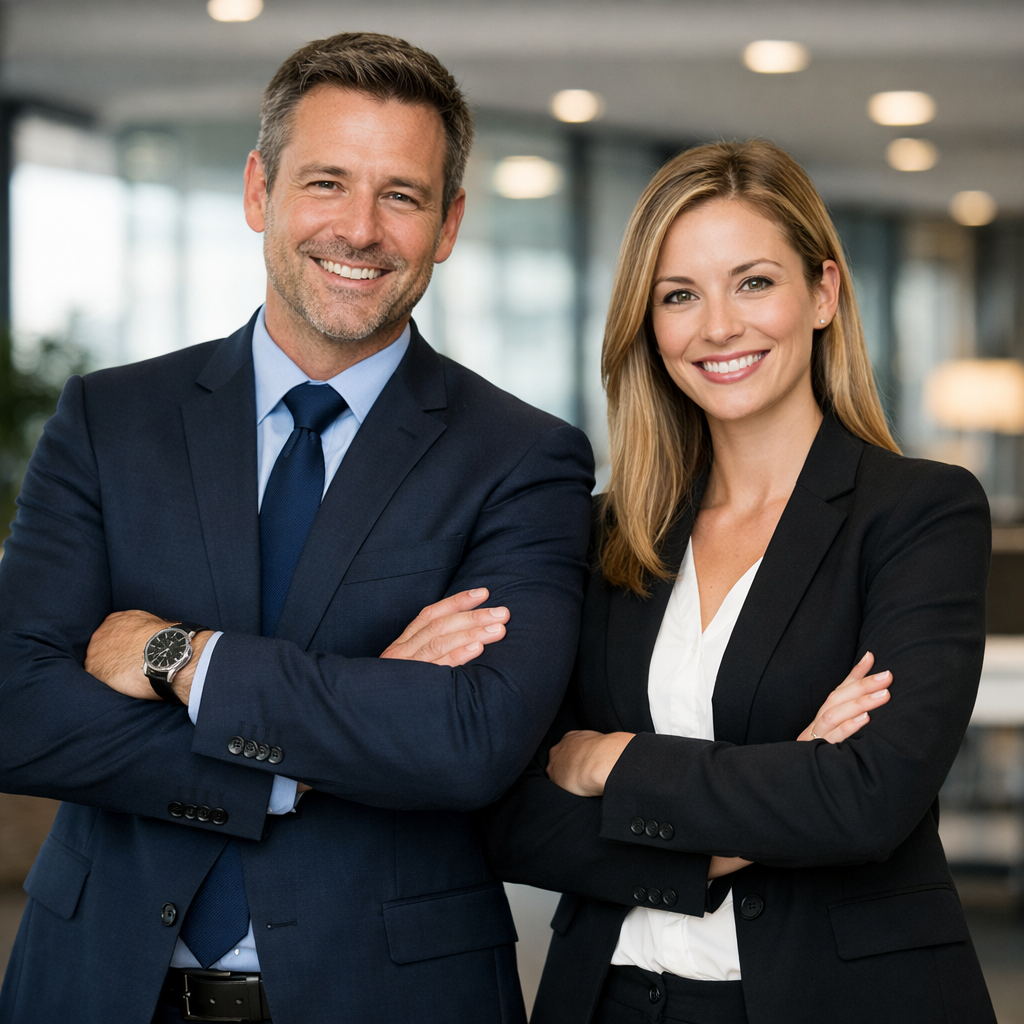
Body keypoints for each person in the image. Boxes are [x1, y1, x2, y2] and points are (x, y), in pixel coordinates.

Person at [0, 32, 593, 1024]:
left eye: (400, 194)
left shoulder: (523, 457)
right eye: (326, 182)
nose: (358, 229)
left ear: (446, 224)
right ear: (257, 191)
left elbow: (468, 741)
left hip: (392, 995)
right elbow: (17, 707)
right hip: (97, 984)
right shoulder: (112, 419)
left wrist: (181, 659)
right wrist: (309, 756)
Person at [483, 140, 996, 1024]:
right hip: (607, 999)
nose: (718, 326)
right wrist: (767, 797)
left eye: (753, 282)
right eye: (680, 295)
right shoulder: (603, 533)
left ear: (824, 294)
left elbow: (866, 802)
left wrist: (608, 761)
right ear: (649, 324)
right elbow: (512, 812)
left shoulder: (920, 513)